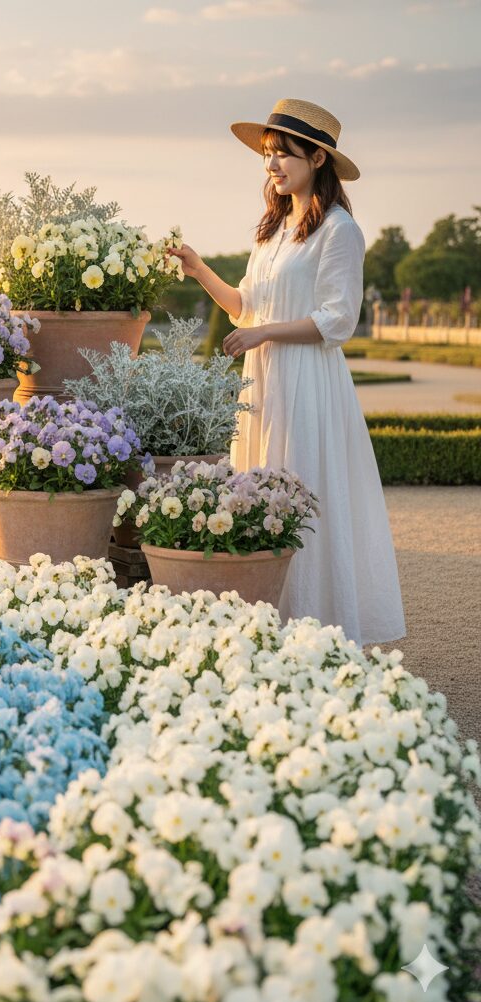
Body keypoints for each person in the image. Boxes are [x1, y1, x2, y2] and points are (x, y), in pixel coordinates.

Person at [168, 97, 405, 647]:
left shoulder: (339, 230)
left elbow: (338, 319)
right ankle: (267, 625)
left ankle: (318, 629)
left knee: (303, 492)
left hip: (309, 384)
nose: (272, 165)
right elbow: (244, 305)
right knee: (261, 493)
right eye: (268, 155)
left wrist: (265, 332)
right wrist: (199, 267)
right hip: (266, 384)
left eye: (284, 154)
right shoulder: (271, 232)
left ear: (318, 158)